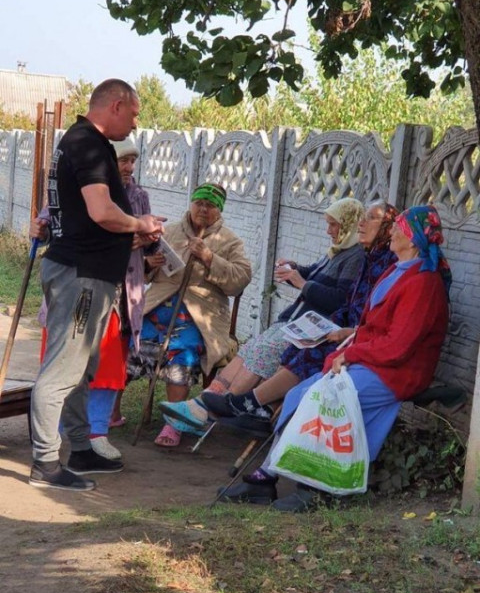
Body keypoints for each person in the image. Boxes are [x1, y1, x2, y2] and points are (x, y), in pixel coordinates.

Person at [223, 204, 451, 510]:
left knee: (321, 403)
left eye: (399, 227)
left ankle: (319, 488)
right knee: (296, 396)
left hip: (397, 372)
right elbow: (370, 328)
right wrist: (343, 353)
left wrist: (351, 354)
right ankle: (265, 479)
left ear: (411, 239)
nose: (393, 231)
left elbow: (398, 347)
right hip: (372, 362)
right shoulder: (397, 271)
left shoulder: (423, 282)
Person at [29, 79, 164, 492]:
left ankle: (81, 446)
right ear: (117, 105)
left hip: (86, 270)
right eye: (136, 113)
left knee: (81, 366)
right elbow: (102, 211)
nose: (137, 123)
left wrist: (130, 236)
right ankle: (46, 463)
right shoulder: (87, 142)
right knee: (63, 368)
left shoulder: (84, 141)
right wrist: (138, 223)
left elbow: (89, 216)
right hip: (81, 275)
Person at [164, 200, 397, 435]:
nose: (329, 231)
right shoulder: (341, 253)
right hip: (300, 323)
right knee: (251, 349)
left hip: (319, 329)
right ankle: (200, 405)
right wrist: (295, 268)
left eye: (334, 225)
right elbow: (317, 273)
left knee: (263, 352)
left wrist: (302, 284)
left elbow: (340, 300)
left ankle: (211, 411)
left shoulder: (357, 257)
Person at [127, 183, 252, 447]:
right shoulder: (169, 232)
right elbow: (141, 270)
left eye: (210, 205)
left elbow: (240, 280)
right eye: (199, 203)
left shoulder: (230, 241)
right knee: (129, 339)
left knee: (179, 351)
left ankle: (174, 423)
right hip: (159, 304)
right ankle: (109, 415)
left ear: (219, 210)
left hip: (199, 314)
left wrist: (209, 257)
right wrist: (149, 264)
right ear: (191, 204)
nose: (203, 210)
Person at [87, 137, 158, 459]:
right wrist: (40, 227)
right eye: (122, 161)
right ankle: (67, 430)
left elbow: (149, 242)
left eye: (132, 161)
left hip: (123, 295)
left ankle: (98, 432)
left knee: (110, 364)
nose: (129, 168)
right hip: (84, 290)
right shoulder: (83, 188)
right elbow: (56, 227)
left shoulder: (138, 195)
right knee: (75, 364)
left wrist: (150, 241)